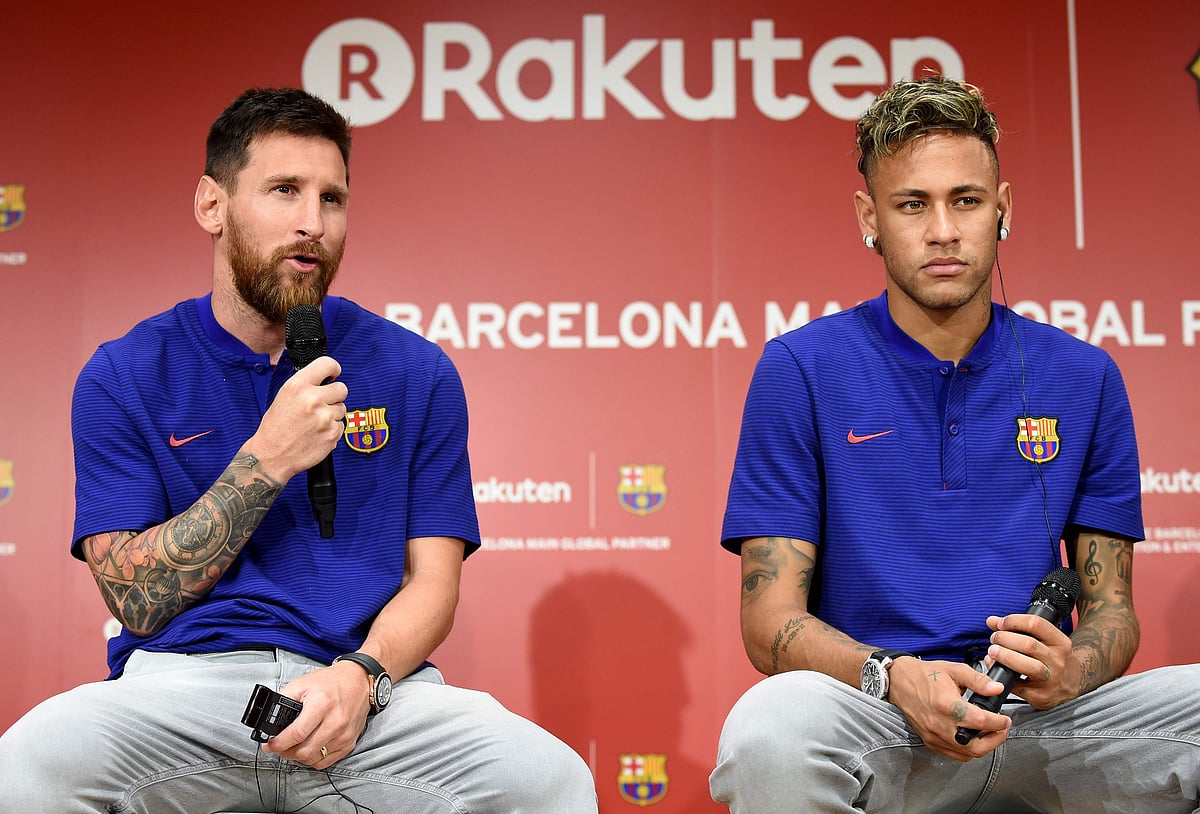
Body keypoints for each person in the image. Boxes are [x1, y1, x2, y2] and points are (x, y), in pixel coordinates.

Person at [0, 87, 597, 813]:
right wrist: (269, 458)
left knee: (549, 779)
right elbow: (135, 601)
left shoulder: (415, 369)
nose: (312, 224)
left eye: (333, 198)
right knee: (26, 767)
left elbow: (433, 585)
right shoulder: (124, 372)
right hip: (185, 691)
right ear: (211, 206)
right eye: (285, 191)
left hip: (373, 694)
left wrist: (361, 678)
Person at [709, 76, 1200, 813]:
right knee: (770, 727)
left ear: (1001, 210)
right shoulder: (801, 370)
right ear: (869, 218)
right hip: (882, 717)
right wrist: (893, 675)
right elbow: (768, 619)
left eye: (966, 200)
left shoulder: (1084, 375)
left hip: (1044, 723)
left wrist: (1075, 669)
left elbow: (1113, 611)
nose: (943, 230)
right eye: (914, 204)